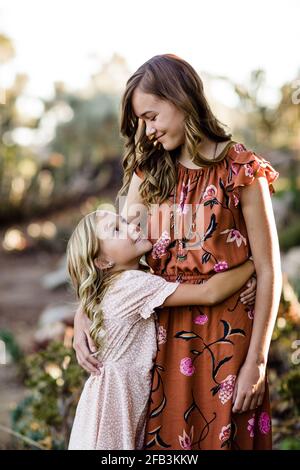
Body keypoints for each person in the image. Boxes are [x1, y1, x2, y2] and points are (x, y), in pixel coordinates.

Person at [73, 54, 282, 450]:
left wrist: (257, 360)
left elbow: (271, 270)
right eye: (141, 122)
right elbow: (113, 257)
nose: (148, 130)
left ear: (181, 98)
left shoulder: (242, 170)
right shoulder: (149, 173)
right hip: (163, 345)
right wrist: (84, 310)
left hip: (230, 343)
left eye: (152, 116)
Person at [67, 209, 256, 450]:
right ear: (103, 262)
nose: (131, 227)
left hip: (104, 403)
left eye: (124, 221)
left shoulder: (117, 286)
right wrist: (255, 263)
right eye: (116, 229)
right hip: (113, 408)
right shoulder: (131, 284)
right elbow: (209, 293)